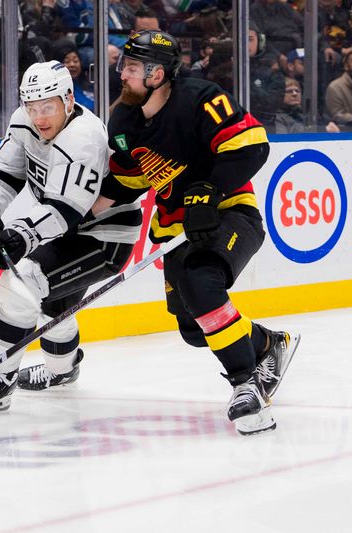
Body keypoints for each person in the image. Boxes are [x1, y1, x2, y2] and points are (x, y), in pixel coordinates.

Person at [97, 30, 301, 436]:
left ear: (157, 74)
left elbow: (252, 147)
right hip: (173, 230)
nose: (123, 74)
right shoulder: (122, 118)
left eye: (133, 67)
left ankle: (247, 387)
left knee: (202, 281)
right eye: (124, 65)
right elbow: (126, 183)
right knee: (194, 327)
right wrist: (76, 216)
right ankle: (265, 344)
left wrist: (210, 190)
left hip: (229, 213)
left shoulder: (200, 98)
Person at [0, 61, 142, 414]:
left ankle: (0, 378)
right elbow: (3, 172)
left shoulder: (84, 136)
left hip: (106, 236)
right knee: (50, 303)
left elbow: (66, 208)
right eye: (32, 107)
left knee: (22, 282)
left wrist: (22, 236)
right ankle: (61, 371)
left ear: (68, 100)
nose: (39, 117)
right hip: (67, 230)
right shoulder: (24, 122)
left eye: (47, 107)